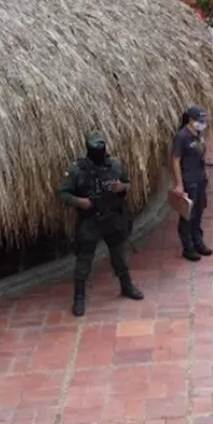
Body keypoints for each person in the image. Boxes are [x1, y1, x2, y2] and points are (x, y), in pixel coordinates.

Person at [58, 131, 144, 317]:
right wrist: (79, 202)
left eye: (101, 146)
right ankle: (79, 297)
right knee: (84, 260)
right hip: (90, 220)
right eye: (95, 147)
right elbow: (63, 193)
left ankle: (126, 286)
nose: (99, 150)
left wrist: (121, 187)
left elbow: (128, 183)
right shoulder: (77, 170)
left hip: (113, 218)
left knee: (120, 255)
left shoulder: (115, 165)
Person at [171, 106, 213, 262]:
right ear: (191, 120)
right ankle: (188, 247)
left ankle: (198, 242)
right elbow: (175, 160)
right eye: (200, 121)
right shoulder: (181, 137)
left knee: (199, 211)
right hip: (189, 180)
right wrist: (179, 184)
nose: (203, 124)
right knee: (188, 214)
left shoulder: (199, 135)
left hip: (200, 178)